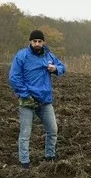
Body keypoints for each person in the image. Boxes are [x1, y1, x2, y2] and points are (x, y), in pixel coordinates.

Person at [9, 30, 66, 169]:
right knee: (25, 133)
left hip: (45, 101)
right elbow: (14, 77)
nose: (37, 44)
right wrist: (26, 94)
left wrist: (55, 69)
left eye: (40, 41)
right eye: (34, 41)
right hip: (28, 100)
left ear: (43, 42)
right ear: (30, 42)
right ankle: (24, 162)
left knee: (53, 130)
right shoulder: (22, 56)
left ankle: (49, 156)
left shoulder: (49, 55)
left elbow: (63, 67)